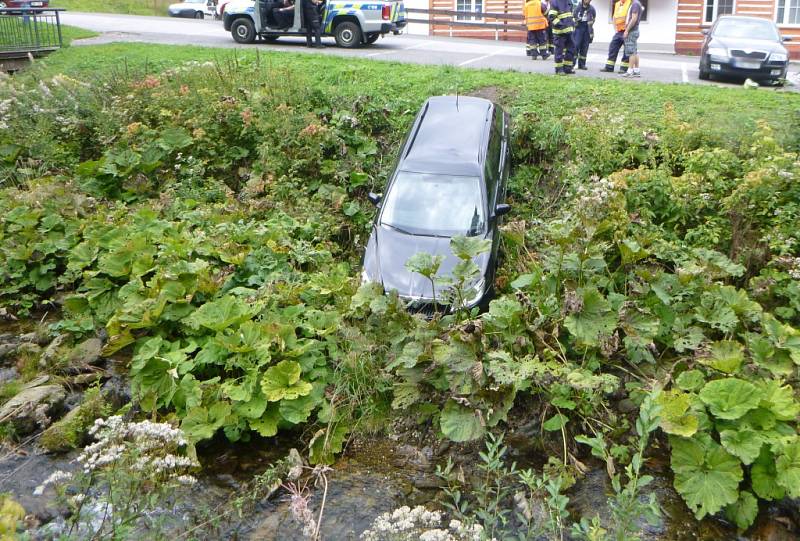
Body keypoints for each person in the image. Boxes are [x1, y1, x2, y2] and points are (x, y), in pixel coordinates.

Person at [547, 0, 576, 75]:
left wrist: (573, 23)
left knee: (571, 50)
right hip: (559, 33)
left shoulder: (569, 1)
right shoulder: (555, 2)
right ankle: (559, 69)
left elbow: (570, 15)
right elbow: (552, 17)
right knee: (559, 51)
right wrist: (562, 25)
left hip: (569, 31)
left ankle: (567, 68)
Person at [602, 0, 631, 73]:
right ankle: (609, 67)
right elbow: (614, 17)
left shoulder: (630, 2)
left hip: (627, 30)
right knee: (613, 47)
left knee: (627, 50)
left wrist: (627, 30)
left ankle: (623, 69)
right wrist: (615, 30)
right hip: (619, 31)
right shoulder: (618, 4)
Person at [621, 0, 643, 77]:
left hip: (632, 31)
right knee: (634, 51)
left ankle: (630, 71)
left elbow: (634, 19)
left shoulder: (635, 4)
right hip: (634, 30)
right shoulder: (636, 3)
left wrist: (627, 30)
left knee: (631, 52)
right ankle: (636, 71)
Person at [572, 0, 595, 70]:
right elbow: (572, 17)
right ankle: (572, 63)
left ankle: (582, 64)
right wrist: (577, 21)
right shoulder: (577, 8)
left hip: (587, 29)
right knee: (576, 46)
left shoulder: (592, 9)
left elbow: (593, 19)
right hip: (578, 28)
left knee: (585, 47)